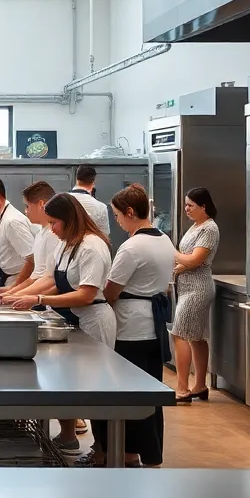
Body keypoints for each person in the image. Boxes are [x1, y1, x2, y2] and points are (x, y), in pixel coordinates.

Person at [1, 194, 114, 451]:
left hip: (92, 320)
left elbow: (86, 294)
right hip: (69, 317)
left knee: (92, 388)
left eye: (54, 222)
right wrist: (20, 295)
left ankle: (103, 450)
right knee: (66, 381)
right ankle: (67, 435)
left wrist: (36, 298)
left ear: (69, 219)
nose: (51, 228)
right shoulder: (66, 244)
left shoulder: (92, 246)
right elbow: (53, 279)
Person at [96, 184, 176, 467]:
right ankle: (150, 452)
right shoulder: (165, 240)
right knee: (149, 392)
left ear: (130, 212)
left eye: (117, 215)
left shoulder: (131, 247)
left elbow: (111, 292)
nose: (116, 220)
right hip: (153, 327)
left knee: (127, 392)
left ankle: (128, 452)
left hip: (131, 327)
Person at [171, 187, 220, 403]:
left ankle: (182, 388)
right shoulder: (195, 227)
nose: (186, 209)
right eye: (186, 204)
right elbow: (188, 259)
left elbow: (194, 260)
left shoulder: (209, 229)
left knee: (179, 333)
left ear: (204, 206)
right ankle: (200, 385)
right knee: (197, 338)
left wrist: (171, 253)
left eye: (191, 205)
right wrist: (182, 263)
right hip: (185, 287)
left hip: (197, 289)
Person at [1, 181, 62, 297]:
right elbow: (35, 275)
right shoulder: (41, 232)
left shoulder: (52, 234)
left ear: (41, 204)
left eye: (27, 206)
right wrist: (11, 292)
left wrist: (15, 294)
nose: (25, 211)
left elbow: (49, 279)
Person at [71, 164, 111, 237]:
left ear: (76, 179)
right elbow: (105, 235)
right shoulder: (101, 207)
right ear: (93, 182)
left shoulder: (60, 201)